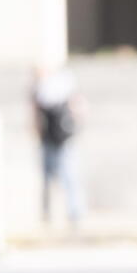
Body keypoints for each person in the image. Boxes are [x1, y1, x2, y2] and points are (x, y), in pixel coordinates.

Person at [32, 64, 84, 227]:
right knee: (58, 178)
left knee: (66, 177)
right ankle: (60, 213)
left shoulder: (55, 87)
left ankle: (68, 213)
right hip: (54, 137)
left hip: (59, 137)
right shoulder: (53, 87)